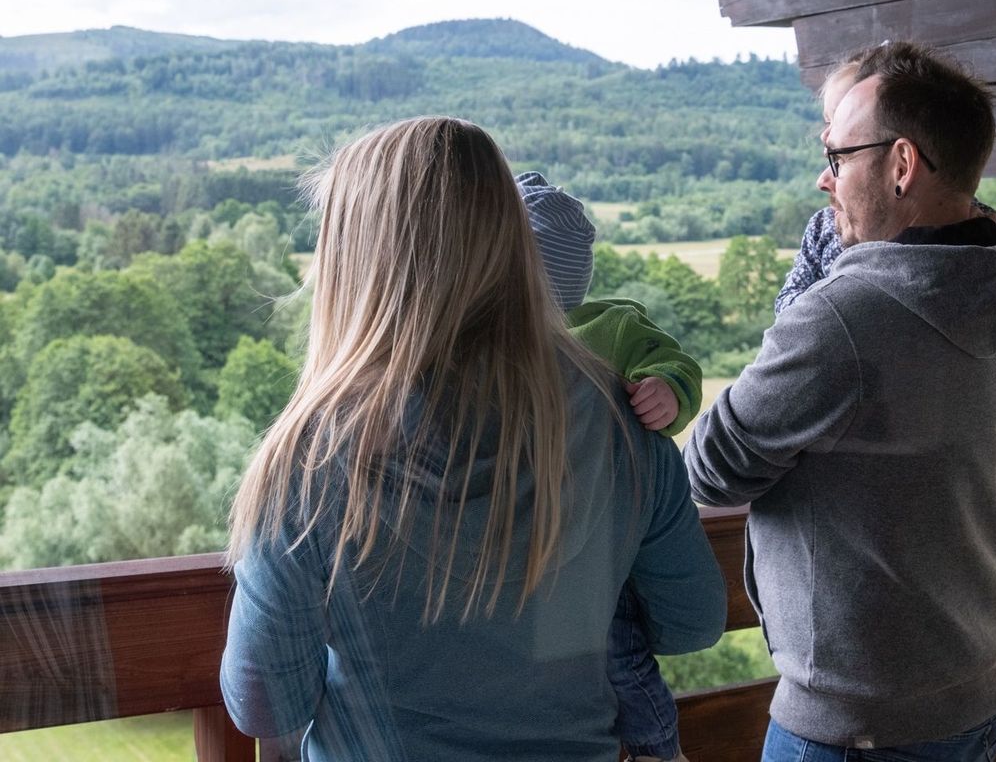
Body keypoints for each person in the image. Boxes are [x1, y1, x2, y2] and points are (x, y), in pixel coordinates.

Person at [220, 116, 726, 762]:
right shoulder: (615, 421)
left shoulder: (309, 459)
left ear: (359, 262)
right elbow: (693, 621)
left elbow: (266, 702)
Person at [683, 42, 996, 761]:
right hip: (976, 693)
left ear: (901, 165)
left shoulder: (845, 318)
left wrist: (809, 292)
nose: (824, 183)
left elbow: (712, 466)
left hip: (856, 725)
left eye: (837, 156)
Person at [518, 170, 702, 762]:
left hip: (598, 551)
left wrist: (666, 392)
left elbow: (677, 366)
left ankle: (657, 747)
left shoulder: (613, 326)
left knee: (620, 659)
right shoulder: (493, 337)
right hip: (532, 551)